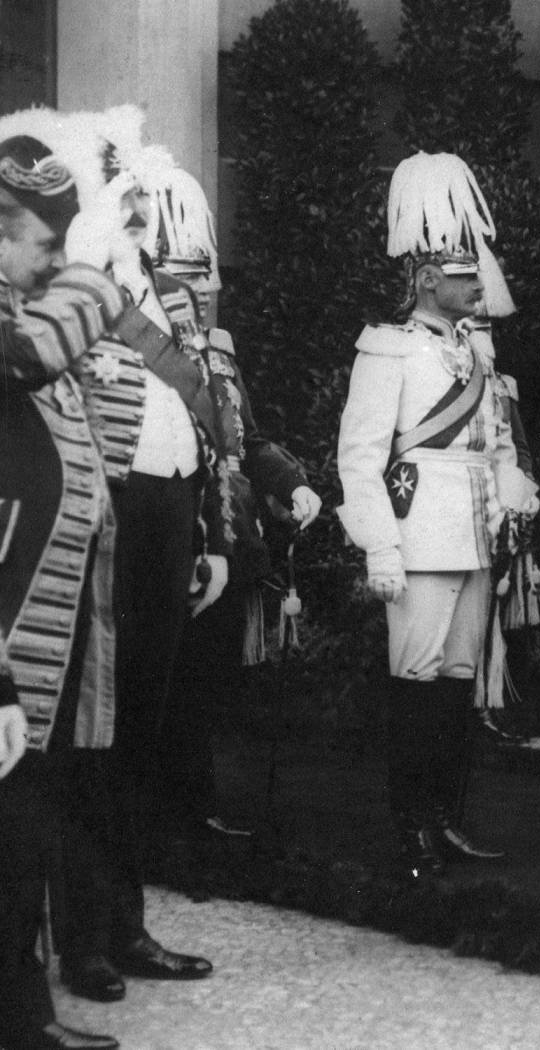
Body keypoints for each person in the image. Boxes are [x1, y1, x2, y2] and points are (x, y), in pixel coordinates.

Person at [1, 106, 219, 1006]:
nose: (144, 220)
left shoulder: (153, 298)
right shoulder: (70, 295)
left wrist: (209, 534)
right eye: (128, 205)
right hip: (87, 541)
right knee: (73, 754)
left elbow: (202, 428)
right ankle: (82, 939)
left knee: (133, 742)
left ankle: (119, 921)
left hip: (150, 524)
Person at [337, 151, 536, 878]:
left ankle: (447, 818)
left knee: (457, 687)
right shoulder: (387, 347)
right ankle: (409, 827)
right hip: (419, 535)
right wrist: (378, 548)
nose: (477, 285)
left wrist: (514, 491)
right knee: (415, 685)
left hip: (476, 533)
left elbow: (500, 442)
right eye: (462, 275)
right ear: (426, 279)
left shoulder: (477, 351)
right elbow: (359, 457)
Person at [114, 149, 320, 839]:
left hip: (227, 532)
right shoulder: (136, 344)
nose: (202, 289)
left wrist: (291, 482)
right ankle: (157, 814)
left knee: (203, 681)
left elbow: (245, 438)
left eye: (208, 275)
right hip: (164, 526)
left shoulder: (221, 351)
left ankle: (192, 806)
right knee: (157, 681)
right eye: (188, 274)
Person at [0, 123, 139, 1050]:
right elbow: (32, 357)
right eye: (42, 245)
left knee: (19, 838)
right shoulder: (22, 332)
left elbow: (108, 455)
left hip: (40, 640)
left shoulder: (32, 322)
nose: (52, 265)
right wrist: (97, 275)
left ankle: (22, 1018)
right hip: (6, 638)